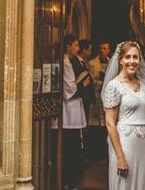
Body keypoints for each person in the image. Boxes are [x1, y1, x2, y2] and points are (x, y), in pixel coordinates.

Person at [101, 41, 145, 189]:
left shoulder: (142, 84)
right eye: (128, 57)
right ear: (120, 60)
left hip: (144, 143)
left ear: (140, 60)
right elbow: (110, 123)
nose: (132, 61)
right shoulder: (114, 86)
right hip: (125, 143)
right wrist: (120, 157)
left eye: (135, 57)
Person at [61, 35, 89, 189]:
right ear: (68, 45)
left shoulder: (70, 61)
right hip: (68, 112)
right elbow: (70, 89)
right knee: (70, 147)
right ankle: (69, 181)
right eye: (76, 45)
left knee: (75, 145)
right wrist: (83, 85)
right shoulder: (65, 63)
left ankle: (73, 179)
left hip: (74, 109)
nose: (78, 48)